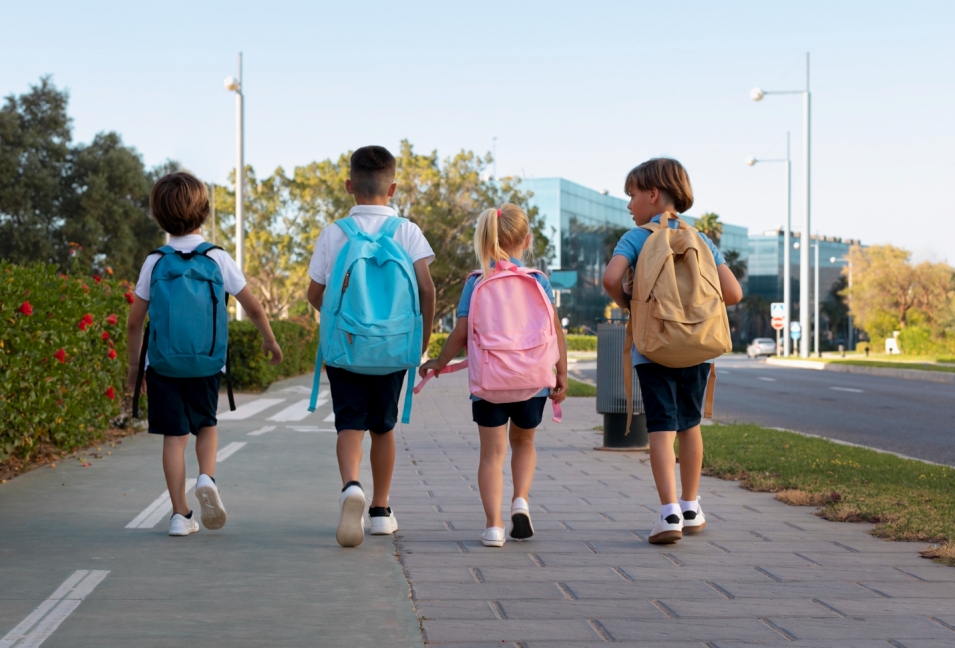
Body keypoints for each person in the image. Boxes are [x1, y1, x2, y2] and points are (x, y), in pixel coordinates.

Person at [126, 171, 283, 537]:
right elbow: (254, 307)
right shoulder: (217, 258)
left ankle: (180, 515)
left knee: (173, 438)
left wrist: (135, 369)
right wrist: (269, 340)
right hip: (207, 362)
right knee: (207, 426)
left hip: (163, 364)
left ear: (157, 215)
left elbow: (135, 322)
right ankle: (207, 477)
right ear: (205, 212)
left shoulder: (154, 261)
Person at [601, 158, 742, 545]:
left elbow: (611, 278)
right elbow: (733, 293)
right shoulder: (702, 240)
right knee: (690, 425)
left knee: (661, 430)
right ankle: (692, 506)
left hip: (655, 348)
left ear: (652, 194)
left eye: (631, 196)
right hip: (698, 348)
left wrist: (629, 301)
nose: (629, 205)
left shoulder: (636, 238)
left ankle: (668, 514)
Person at [307, 145, 436, 547]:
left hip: (346, 347)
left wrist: (339, 319)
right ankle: (380, 511)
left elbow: (315, 293)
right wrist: (422, 339)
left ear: (349, 185)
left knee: (350, 423)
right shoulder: (407, 231)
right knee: (384, 427)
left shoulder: (334, 233)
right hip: (394, 347)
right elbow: (426, 289)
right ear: (393, 187)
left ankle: (351, 487)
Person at [420, 203, 568, 547]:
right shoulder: (538, 280)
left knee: (492, 454)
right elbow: (555, 330)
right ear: (526, 240)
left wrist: (439, 363)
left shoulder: (476, 282)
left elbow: (460, 333)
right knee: (524, 442)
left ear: (485, 240)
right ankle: (521, 501)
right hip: (532, 381)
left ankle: (494, 527)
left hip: (489, 384)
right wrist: (560, 372)